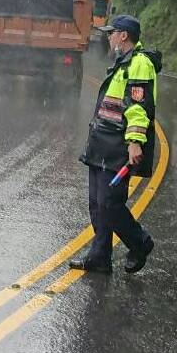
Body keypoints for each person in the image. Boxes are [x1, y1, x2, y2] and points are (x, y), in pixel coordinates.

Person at [70, 14, 160, 274]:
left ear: (123, 36)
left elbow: (138, 107)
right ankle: (99, 258)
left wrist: (135, 142)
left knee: (110, 204)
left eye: (112, 33)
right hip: (101, 144)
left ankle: (140, 243)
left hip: (118, 148)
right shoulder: (121, 63)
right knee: (97, 204)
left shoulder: (140, 63)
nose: (108, 37)